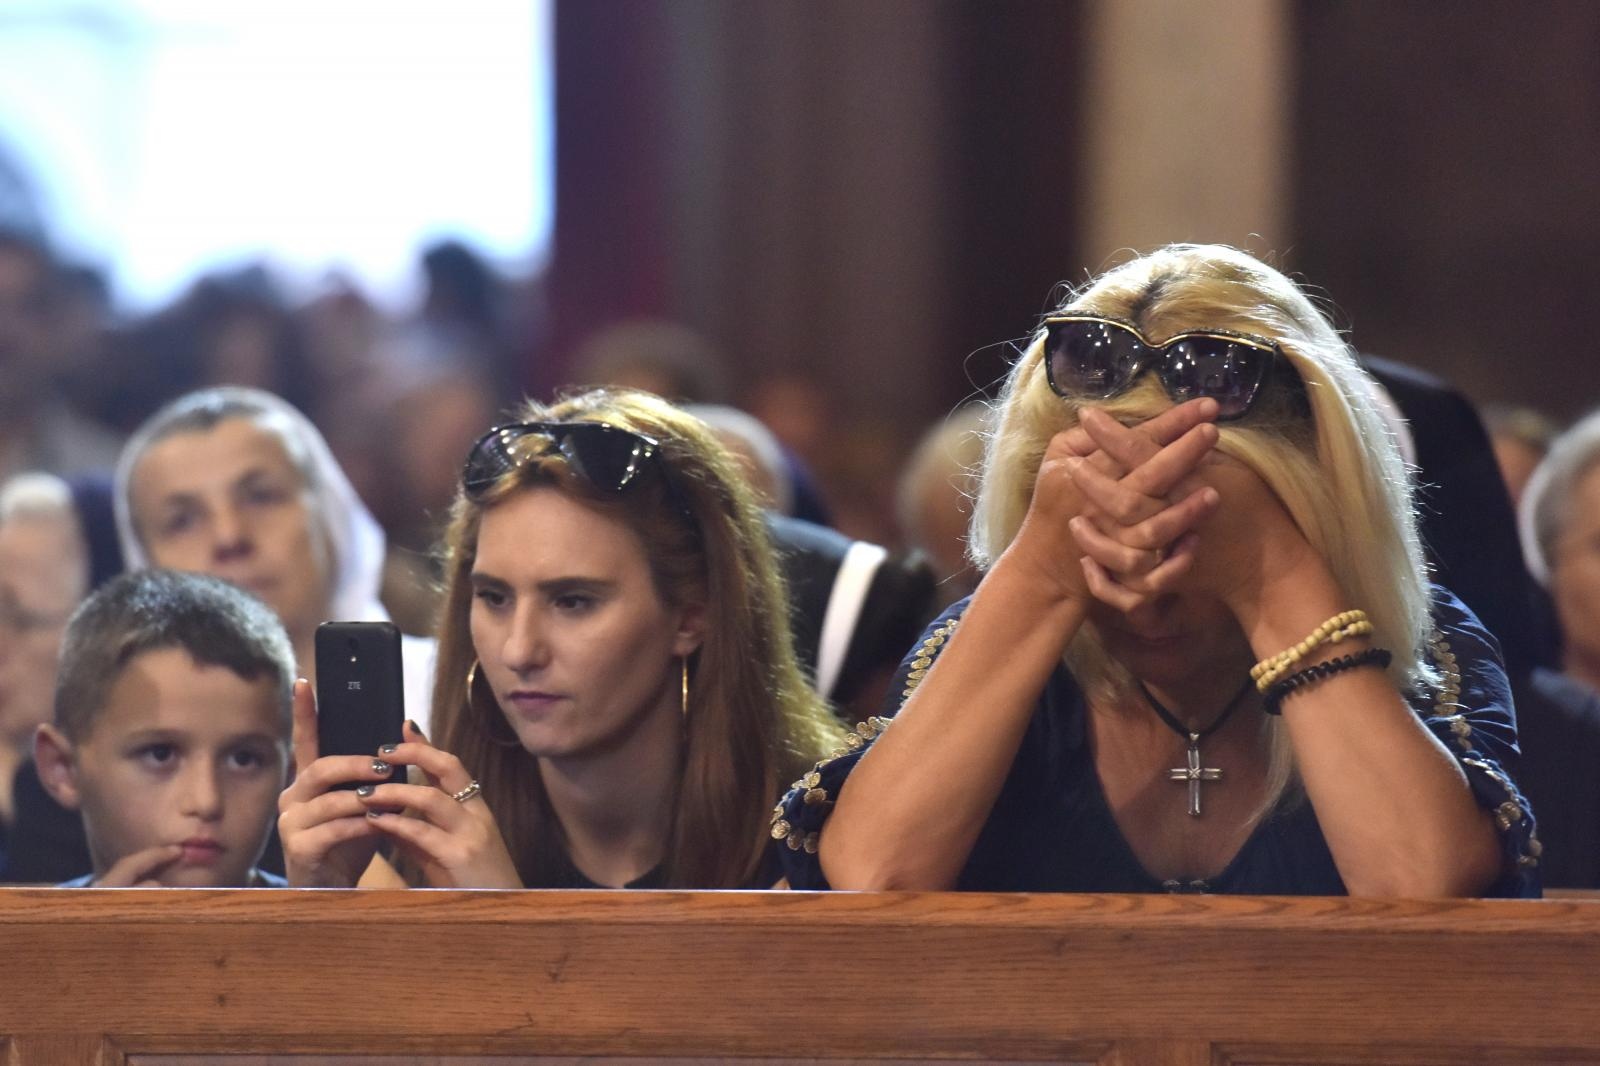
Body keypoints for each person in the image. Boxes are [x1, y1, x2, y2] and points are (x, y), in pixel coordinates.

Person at [774, 244, 1538, 897]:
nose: (1146, 597)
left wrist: (1272, 577)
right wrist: (1041, 572)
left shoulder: (1425, 645)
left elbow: (1424, 890)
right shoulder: (990, 641)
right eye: (1107, 539)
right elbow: (874, 876)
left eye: (1187, 541)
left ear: (1313, 520)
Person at [278, 388, 845, 889]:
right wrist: (320, 899)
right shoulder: (420, 849)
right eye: (495, 598)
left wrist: (511, 929)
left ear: (691, 617)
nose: (519, 651)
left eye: (573, 602)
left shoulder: (820, 837)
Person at [111, 387, 435, 726]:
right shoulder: (127, 739)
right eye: (183, 520)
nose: (229, 535)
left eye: (260, 496)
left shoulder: (456, 693)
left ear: (331, 515)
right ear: (144, 565)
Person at [33, 569, 292, 887]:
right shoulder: (21, 936)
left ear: (289, 777)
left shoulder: (332, 931)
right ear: (63, 767)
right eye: (160, 754)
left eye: (244, 759)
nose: (206, 801)